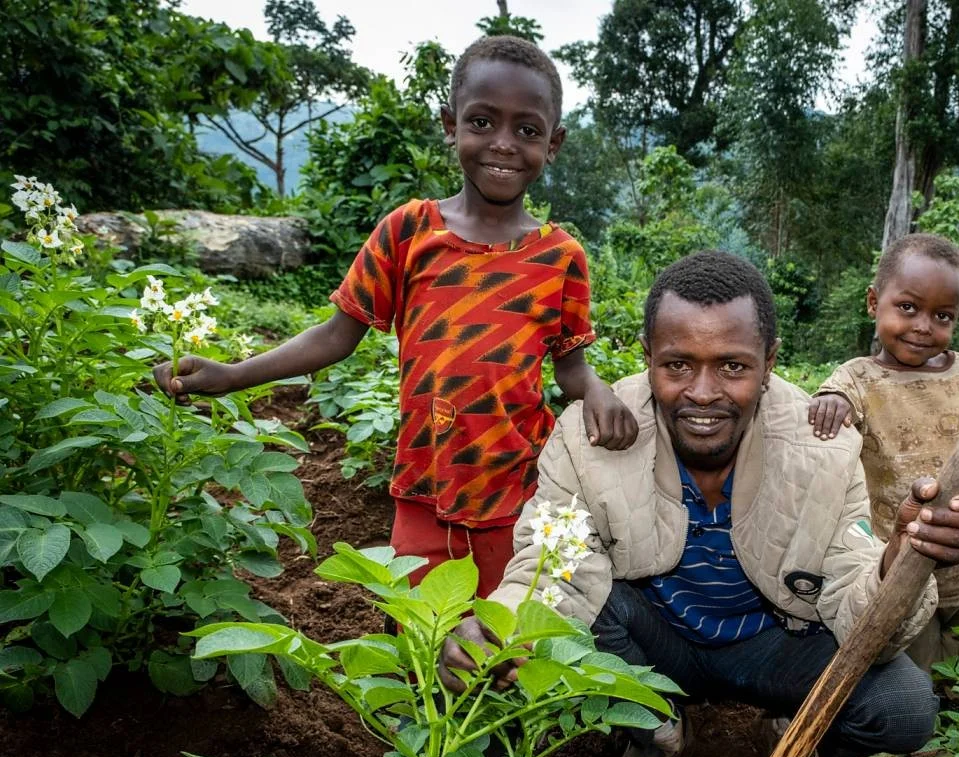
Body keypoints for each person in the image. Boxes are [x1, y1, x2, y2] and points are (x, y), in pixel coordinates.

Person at [440, 249, 959, 757]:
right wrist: (501, 625)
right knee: (594, 600)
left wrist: (895, 561)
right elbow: (551, 561)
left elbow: (850, 584)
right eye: (677, 365)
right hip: (657, 644)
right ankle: (654, 732)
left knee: (905, 708)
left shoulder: (822, 449)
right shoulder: (591, 436)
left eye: (733, 366)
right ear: (648, 357)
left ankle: (792, 735)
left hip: (774, 646)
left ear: (769, 362)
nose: (703, 393)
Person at [153, 36, 637, 592]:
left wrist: (598, 389)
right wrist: (233, 374)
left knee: (508, 647)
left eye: (526, 130)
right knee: (420, 639)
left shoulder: (561, 257)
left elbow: (570, 365)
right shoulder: (408, 232)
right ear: (449, 125)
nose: (503, 144)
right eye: (482, 122)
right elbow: (337, 334)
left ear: (553, 144)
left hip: (518, 492)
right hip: (422, 490)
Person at [807, 232, 959, 681]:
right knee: (914, 674)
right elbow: (835, 398)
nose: (923, 325)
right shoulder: (858, 378)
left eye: (942, 315)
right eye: (907, 307)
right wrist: (830, 400)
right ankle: (921, 744)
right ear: (874, 302)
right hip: (909, 562)